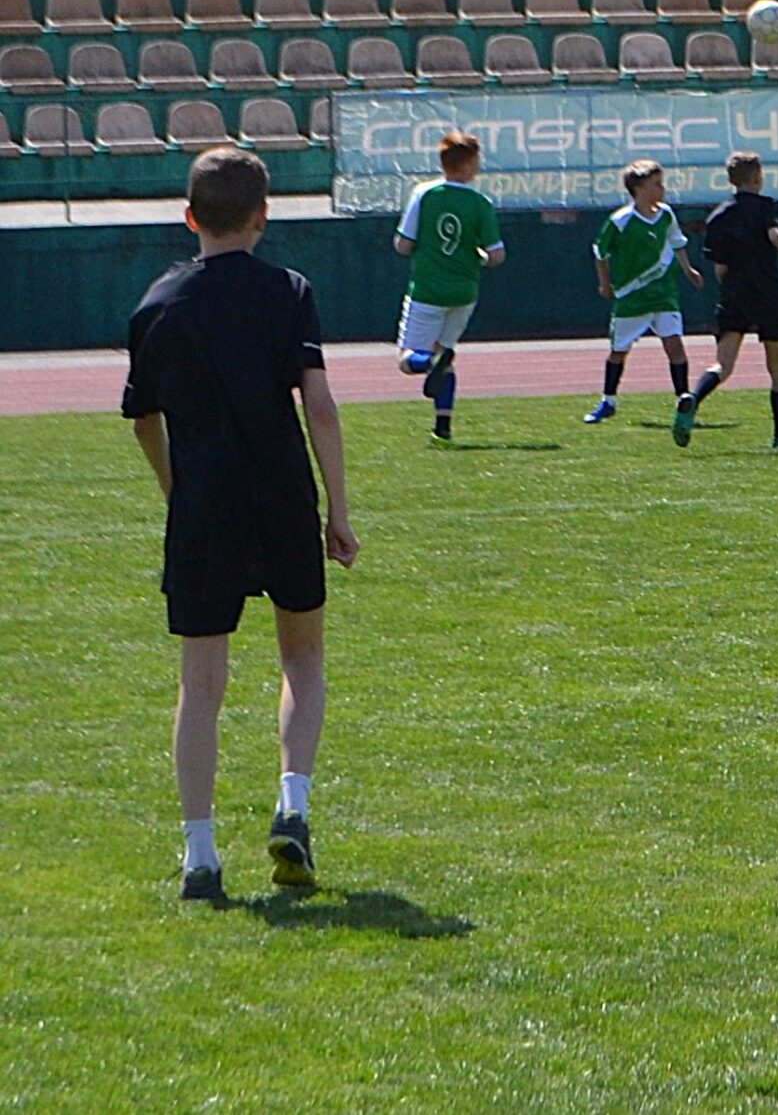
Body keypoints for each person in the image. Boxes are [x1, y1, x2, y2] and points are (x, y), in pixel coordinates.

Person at [123, 149, 359, 902]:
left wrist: (176, 490)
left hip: (205, 506)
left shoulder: (158, 303)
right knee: (303, 657)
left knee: (200, 682)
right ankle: (293, 804)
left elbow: (143, 418)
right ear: (262, 215)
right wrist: (338, 509)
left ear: (189, 216)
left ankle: (200, 856)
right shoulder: (288, 290)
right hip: (282, 494)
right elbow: (319, 405)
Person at [674, 152, 778, 452]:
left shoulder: (718, 215)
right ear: (758, 177)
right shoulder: (766, 206)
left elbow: (719, 268)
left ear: (731, 180)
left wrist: (734, 285)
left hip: (735, 291)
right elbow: (775, 235)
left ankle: (694, 398)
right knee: (777, 364)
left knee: (723, 364)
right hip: (766, 291)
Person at [393, 131, 505, 442]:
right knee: (444, 352)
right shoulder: (480, 203)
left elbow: (403, 244)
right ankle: (442, 425)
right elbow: (497, 255)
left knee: (407, 360)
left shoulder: (425, 194)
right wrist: (479, 258)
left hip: (427, 290)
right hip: (464, 292)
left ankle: (429, 363)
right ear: (468, 164)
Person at [584, 159, 704, 425]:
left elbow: (677, 243)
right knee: (619, 351)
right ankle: (608, 401)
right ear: (638, 188)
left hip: (663, 295)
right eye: (656, 184)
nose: (662, 189)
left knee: (675, 346)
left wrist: (688, 270)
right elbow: (600, 252)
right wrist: (605, 283)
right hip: (632, 297)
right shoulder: (621, 220)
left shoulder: (666, 215)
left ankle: (683, 401)